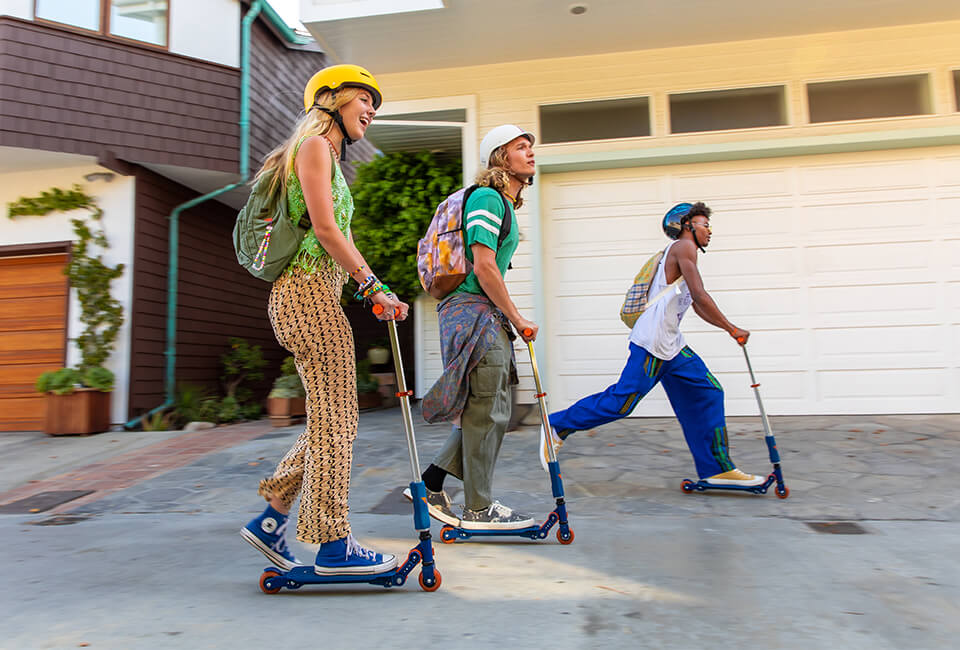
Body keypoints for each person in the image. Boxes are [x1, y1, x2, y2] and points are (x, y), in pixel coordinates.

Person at [240, 64, 410, 576]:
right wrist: (374, 286)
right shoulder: (314, 148)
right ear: (331, 99)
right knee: (339, 418)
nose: (372, 110)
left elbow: (340, 238)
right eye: (364, 98)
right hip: (306, 297)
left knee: (330, 418)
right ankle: (333, 542)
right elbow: (325, 228)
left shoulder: (328, 158)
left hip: (316, 297)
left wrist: (372, 287)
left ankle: (272, 518)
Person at [539, 202, 764, 487]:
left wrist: (728, 330)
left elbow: (697, 305)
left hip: (671, 345)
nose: (709, 230)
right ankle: (556, 425)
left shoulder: (685, 252)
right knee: (621, 403)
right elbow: (700, 294)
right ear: (687, 226)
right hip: (652, 343)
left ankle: (716, 468)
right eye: (704, 224)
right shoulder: (684, 248)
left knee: (708, 391)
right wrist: (732, 328)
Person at [410, 125, 539, 531]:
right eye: (522, 147)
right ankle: (478, 510)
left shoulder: (503, 204)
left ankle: (430, 485)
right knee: (488, 409)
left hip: (479, 314)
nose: (531, 153)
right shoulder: (488, 198)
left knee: (486, 407)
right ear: (501, 157)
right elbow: (483, 266)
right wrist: (517, 318)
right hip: (472, 313)